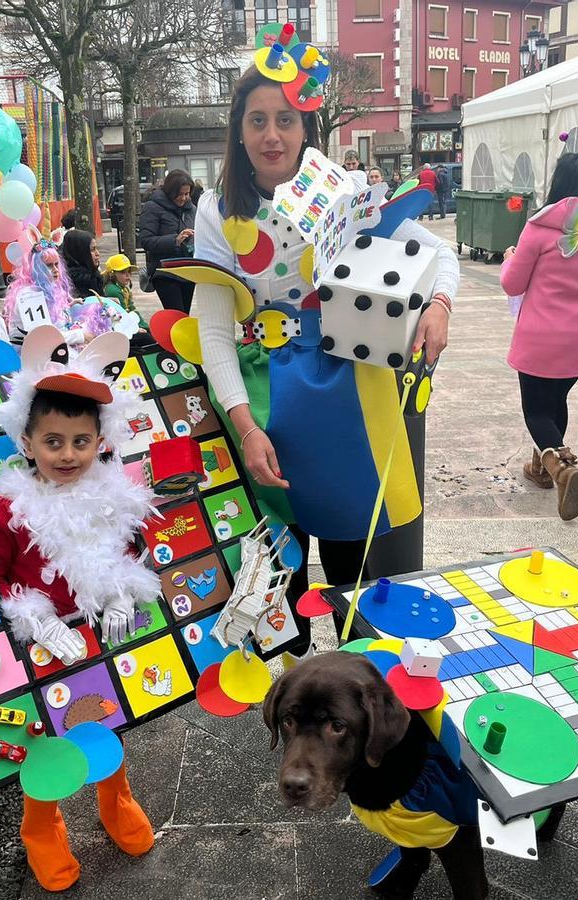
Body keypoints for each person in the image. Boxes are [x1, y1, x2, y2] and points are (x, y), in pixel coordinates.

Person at [190, 64, 455, 656]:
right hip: (263, 401)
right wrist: (245, 425)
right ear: (238, 130)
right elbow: (213, 330)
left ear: (305, 126)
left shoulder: (340, 187)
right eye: (256, 121)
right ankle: (293, 711)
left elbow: (437, 254)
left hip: (347, 397)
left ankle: (357, 699)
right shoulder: (216, 209)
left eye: (285, 120)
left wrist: (439, 305)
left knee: (353, 576)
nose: (271, 136)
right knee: (272, 575)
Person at [0, 351, 158, 892]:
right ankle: (42, 827)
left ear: (99, 441)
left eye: (80, 441)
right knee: (44, 735)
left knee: (107, 714)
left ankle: (115, 799)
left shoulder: (115, 494)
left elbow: (129, 551)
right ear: (27, 443)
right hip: (40, 643)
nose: (68, 454)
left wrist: (124, 592)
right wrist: (32, 615)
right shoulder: (2, 511)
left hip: (98, 628)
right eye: (53, 442)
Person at [500, 153, 578, 522]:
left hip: (541, 336)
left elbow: (512, 282)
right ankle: (542, 468)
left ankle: (562, 468)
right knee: (556, 400)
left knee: (535, 410)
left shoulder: (539, 227)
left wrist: (510, 257)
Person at [5, 230, 96, 348]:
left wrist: (67, 307)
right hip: (36, 360)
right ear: (37, 268)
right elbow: (43, 336)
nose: (55, 269)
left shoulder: (48, 289)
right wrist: (80, 335)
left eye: (56, 264)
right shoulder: (29, 296)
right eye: (48, 265)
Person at [139, 169, 196, 313]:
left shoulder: (191, 210)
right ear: (170, 191)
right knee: (176, 315)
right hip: (165, 272)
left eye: (187, 194)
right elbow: (146, 241)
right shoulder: (153, 207)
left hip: (188, 271)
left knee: (184, 315)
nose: (183, 198)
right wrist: (175, 240)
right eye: (180, 194)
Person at [101, 253, 148, 330]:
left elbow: (132, 309)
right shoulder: (113, 290)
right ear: (112, 274)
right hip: (117, 327)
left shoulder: (123, 288)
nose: (127, 275)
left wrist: (145, 326)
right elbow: (123, 314)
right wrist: (137, 328)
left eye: (129, 271)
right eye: (123, 272)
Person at [59, 229, 105, 296]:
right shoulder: (70, 285)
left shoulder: (94, 275)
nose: (97, 253)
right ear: (79, 253)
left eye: (96, 248)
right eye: (92, 250)